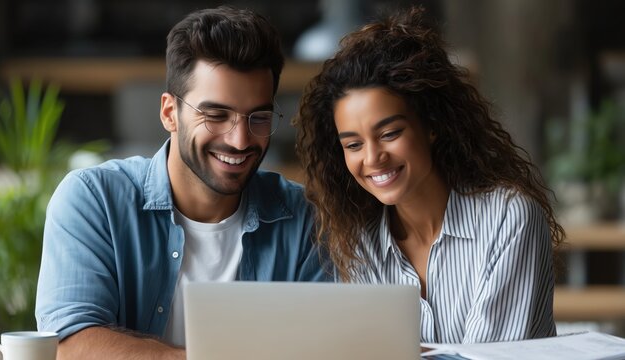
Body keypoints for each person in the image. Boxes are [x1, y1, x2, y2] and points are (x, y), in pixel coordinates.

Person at [36, 6, 329, 359]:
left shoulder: (303, 219)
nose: (239, 140)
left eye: (259, 117)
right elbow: (71, 346)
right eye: (216, 115)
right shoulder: (94, 200)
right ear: (169, 113)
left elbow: (321, 347)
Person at [294, 7, 564, 344]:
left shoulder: (508, 219)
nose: (372, 158)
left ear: (431, 126)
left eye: (390, 134)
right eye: (353, 144)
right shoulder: (361, 242)